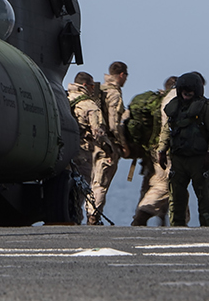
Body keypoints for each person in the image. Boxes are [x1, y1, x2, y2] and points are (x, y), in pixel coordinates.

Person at [159, 72, 209, 227]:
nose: (187, 94)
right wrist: (161, 150)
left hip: (199, 159)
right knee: (176, 198)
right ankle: (177, 228)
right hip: (178, 158)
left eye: (190, 91)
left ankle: (207, 226)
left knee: (204, 197)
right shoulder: (174, 108)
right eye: (184, 90)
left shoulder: (205, 108)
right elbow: (167, 130)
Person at [67, 72, 120, 225]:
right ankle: (76, 219)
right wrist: (109, 148)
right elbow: (98, 133)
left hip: (64, 151)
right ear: (84, 85)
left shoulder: (64, 99)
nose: (92, 89)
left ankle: (65, 217)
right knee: (81, 188)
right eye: (91, 86)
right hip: (82, 152)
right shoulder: (90, 105)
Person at [131, 75, 180, 226]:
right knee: (164, 185)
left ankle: (173, 221)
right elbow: (169, 128)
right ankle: (142, 216)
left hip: (153, 149)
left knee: (163, 183)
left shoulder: (158, 101)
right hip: (165, 150)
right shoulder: (172, 100)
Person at [95, 62, 131, 220]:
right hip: (108, 146)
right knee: (101, 185)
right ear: (122, 75)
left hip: (94, 144)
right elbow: (114, 124)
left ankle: (90, 215)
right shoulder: (114, 94)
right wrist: (123, 145)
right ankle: (93, 217)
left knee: (94, 182)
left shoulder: (101, 90)